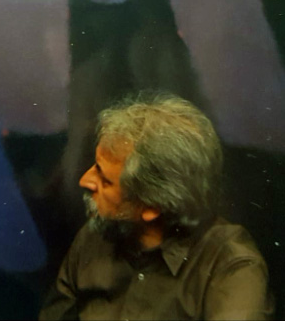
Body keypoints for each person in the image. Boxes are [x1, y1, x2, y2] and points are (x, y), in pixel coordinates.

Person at [39, 92, 273, 320]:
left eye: (105, 179)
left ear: (151, 207)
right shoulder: (93, 237)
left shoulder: (230, 266)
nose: (84, 180)